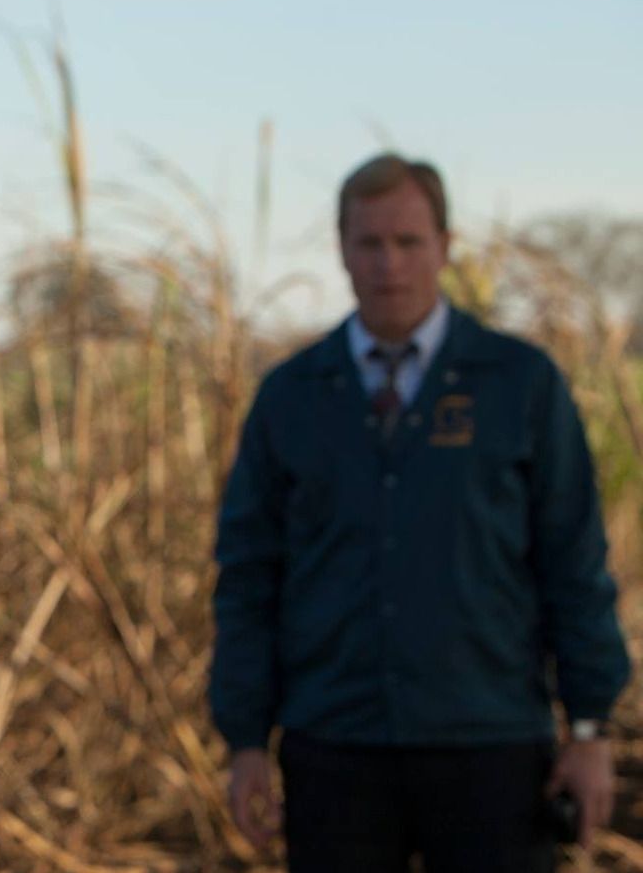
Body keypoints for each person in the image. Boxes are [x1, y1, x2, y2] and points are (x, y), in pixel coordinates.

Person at [208, 152, 630, 872]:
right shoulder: (292, 396)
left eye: (409, 243)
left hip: (490, 746)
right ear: (342, 249)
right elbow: (249, 578)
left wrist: (589, 729)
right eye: (369, 243)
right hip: (335, 749)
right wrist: (246, 741)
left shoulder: (519, 385)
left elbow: (574, 563)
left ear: (445, 246)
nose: (389, 264)